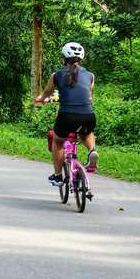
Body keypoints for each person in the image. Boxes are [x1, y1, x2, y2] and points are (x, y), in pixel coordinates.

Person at [35, 42, 98, 186]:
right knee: (86, 133)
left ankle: (57, 176)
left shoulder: (56, 75)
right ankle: (91, 151)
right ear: (81, 59)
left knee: (58, 141)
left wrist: (41, 99)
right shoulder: (90, 75)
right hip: (87, 115)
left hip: (66, 115)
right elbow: (87, 94)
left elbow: (47, 92)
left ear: (64, 58)